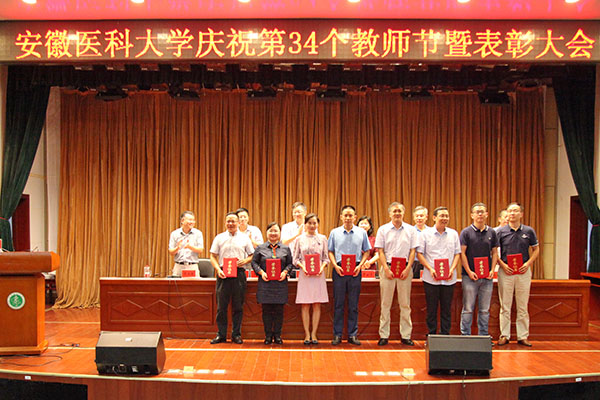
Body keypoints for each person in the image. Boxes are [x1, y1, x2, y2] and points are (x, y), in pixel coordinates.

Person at [496, 202, 539, 347]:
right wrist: (503, 265)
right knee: (505, 305)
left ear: (521, 214)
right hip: (505, 271)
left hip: (523, 272)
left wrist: (528, 264)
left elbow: (536, 249)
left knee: (522, 306)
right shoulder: (500, 232)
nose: (512, 214)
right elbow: (494, 252)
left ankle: (523, 336)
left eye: (515, 211)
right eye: (510, 211)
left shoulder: (529, 231)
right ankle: (504, 335)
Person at [374, 202, 417, 346]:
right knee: (385, 303)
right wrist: (386, 269)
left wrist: (408, 268)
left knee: (405, 304)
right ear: (390, 214)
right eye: (394, 211)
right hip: (388, 269)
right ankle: (383, 335)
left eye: (400, 211)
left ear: (403, 213)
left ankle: (406, 335)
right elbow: (380, 251)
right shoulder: (383, 229)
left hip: (405, 270)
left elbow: (413, 251)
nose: (397, 213)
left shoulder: (411, 230)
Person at [328, 205, 371, 345]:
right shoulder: (334, 232)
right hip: (339, 270)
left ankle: (352, 335)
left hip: (355, 270)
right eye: (345, 215)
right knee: (338, 304)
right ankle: (337, 335)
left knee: (353, 304)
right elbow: (330, 251)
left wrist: (360, 266)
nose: (348, 218)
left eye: (350, 215)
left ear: (355, 217)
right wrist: (335, 266)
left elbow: (367, 251)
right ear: (341, 217)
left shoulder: (362, 233)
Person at [209, 212, 254, 344]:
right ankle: (221, 334)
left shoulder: (245, 238)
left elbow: (252, 255)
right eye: (228, 221)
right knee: (221, 307)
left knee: (238, 306)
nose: (230, 224)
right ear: (225, 223)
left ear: (239, 223)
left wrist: (245, 261)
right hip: (223, 273)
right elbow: (212, 256)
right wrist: (218, 270)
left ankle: (236, 334)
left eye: (233, 221)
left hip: (239, 273)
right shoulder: (219, 237)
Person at [417, 206, 461, 335]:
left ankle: (445, 334)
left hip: (449, 279)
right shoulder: (425, 234)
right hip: (431, 278)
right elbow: (419, 254)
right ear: (434, 218)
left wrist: (452, 269)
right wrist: (430, 269)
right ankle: (431, 334)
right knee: (431, 308)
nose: (444, 218)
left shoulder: (453, 234)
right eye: (442, 216)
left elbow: (457, 254)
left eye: (446, 216)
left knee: (447, 308)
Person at [459, 203, 498, 337]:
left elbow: (495, 253)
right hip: (469, 277)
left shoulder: (492, 232)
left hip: (487, 278)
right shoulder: (466, 232)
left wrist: (492, 270)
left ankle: (483, 336)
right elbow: (462, 253)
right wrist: (469, 271)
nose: (480, 214)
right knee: (468, 308)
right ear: (472, 215)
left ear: (487, 214)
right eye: (477, 212)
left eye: (482, 212)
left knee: (485, 310)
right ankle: (465, 336)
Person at [250, 222, 293, 345]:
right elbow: (254, 263)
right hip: (265, 285)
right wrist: (261, 272)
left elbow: (290, 263)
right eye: (271, 231)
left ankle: (278, 336)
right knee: (266, 311)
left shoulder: (285, 248)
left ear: (279, 233)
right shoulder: (260, 248)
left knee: (279, 311)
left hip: (280, 285)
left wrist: (285, 272)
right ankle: (268, 336)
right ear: (267, 233)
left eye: (276, 231)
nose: (273, 233)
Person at [293, 213, 329, 345]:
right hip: (305, 275)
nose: (312, 225)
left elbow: (326, 258)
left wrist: (321, 268)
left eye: (314, 223)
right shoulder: (299, 239)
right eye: (309, 223)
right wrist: (303, 267)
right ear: (305, 224)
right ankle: (306, 334)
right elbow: (295, 259)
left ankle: (314, 333)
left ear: (318, 224)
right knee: (305, 304)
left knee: (317, 304)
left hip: (318, 275)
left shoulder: (323, 238)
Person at [168, 211, 204, 277]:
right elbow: (171, 252)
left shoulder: (198, 233)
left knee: (194, 284)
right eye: (190, 220)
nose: (192, 222)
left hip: (192, 266)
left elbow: (200, 250)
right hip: (179, 266)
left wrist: (190, 247)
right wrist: (177, 248)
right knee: (176, 283)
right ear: (182, 221)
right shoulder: (174, 234)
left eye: (193, 220)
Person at [412, 206, 429, 279]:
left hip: (428, 263)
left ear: (426, 217)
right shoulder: (410, 231)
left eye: (421, 216)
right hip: (414, 263)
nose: (419, 218)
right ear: (414, 217)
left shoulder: (431, 231)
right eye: (417, 216)